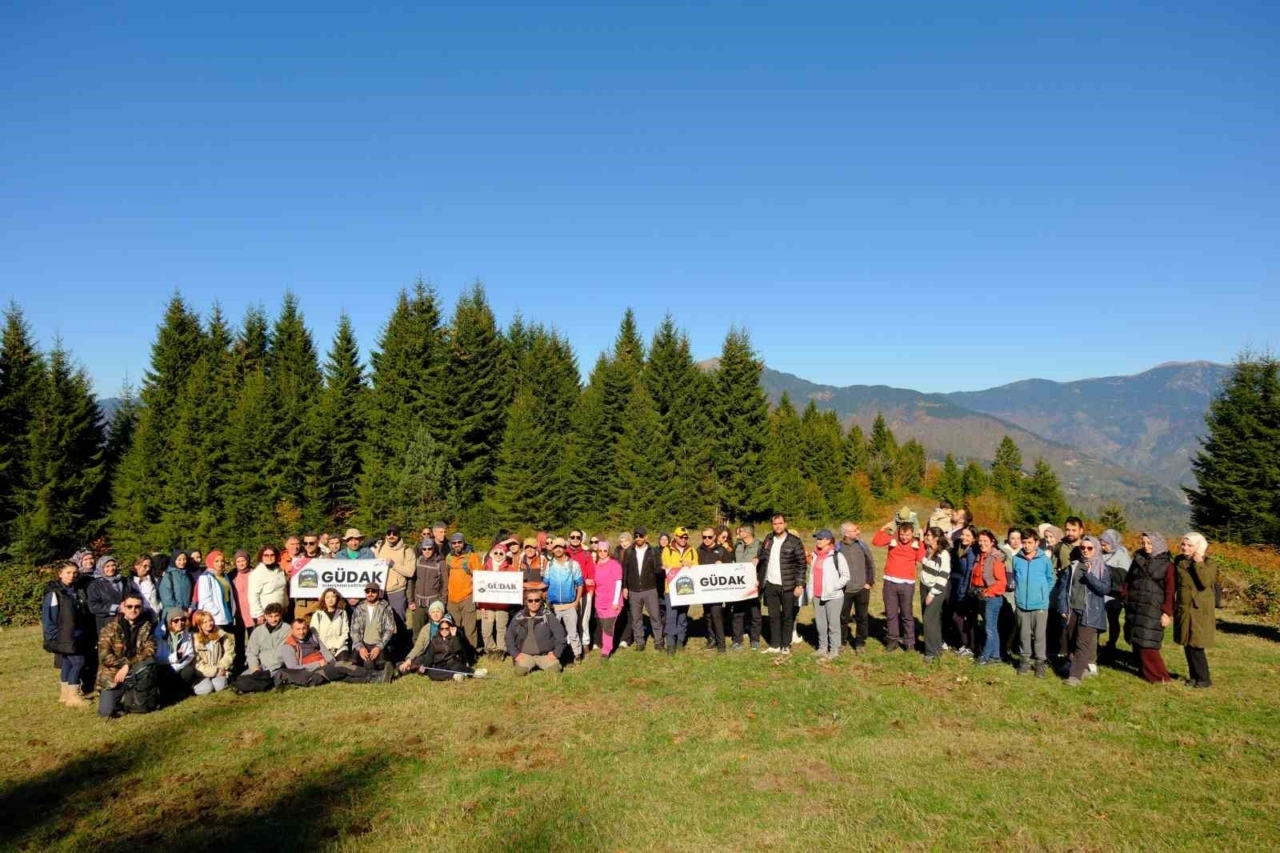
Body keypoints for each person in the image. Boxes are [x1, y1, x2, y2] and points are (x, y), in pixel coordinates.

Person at [1124, 532, 1175, 684]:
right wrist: (1125, 596)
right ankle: (1144, 672)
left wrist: (1167, 612)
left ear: (1158, 544)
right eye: (1144, 542)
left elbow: (1170, 590)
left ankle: (1160, 677)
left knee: (1148, 643)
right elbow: (1129, 580)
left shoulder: (1167, 565)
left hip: (1153, 607)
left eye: (1150, 543)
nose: (1146, 546)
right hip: (1135, 604)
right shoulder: (1138, 559)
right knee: (1136, 639)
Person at [96, 592, 157, 718]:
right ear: (123, 607)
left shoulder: (147, 626)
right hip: (113, 675)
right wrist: (124, 666)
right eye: (129, 606)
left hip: (137, 670)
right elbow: (105, 657)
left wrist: (128, 666)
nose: (133, 610)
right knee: (106, 712)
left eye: (137, 607)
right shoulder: (109, 629)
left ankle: (139, 697)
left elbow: (150, 650)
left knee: (142, 707)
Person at [1060, 535, 1111, 686]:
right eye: (1082, 548)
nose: (1085, 551)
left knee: (1082, 643)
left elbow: (1105, 588)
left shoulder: (1102, 568)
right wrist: (1063, 606)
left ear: (1096, 549)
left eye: (1089, 548)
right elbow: (1064, 588)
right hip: (1072, 609)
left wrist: (1090, 577)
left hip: (1091, 611)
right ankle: (1074, 667)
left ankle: (1075, 677)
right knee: (1071, 639)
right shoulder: (1073, 566)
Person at [42, 560, 92, 708]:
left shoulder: (76, 590)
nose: (72, 576)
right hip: (63, 636)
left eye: (75, 573)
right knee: (79, 662)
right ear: (60, 574)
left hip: (77, 634)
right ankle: (74, 696)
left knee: (68, 663)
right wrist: (53, 637)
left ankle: (65, 694)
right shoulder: (54, 594)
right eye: (68, 573)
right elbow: (48, 618)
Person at [281, 617, 387, 686]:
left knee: (343, 676)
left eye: (304, 628)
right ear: (292, 630)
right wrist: (317, 664)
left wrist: (332, 663)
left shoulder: (311, 637)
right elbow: (293, 668)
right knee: (342, 666)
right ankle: (376, 674)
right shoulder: (288, 647)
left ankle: (374, 680)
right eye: (298, 629)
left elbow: (324, 651)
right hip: (312, 672)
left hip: (325, 665)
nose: (302, 632)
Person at [872, 518, 924, 654]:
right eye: (902, 534)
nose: (904, 537)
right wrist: (884, 528)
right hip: (890, 583)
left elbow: (921, 558)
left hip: (907, 585)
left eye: (907, 535)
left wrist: (922, 540)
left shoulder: (916, 544)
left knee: (907, 614)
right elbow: (876, 542)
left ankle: (909, 642)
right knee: (891, 614)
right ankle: (893, 640)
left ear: (912, 534)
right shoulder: (892, 540)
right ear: (898, 533)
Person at [757, 514, 806, 655]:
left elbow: (802, 564)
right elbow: (763, 555)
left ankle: (786, 645)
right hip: (770, 584)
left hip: (788, 585)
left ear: (785, 524)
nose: (777, 526)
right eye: (775, 524)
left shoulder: (794, 541)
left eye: (780, 523)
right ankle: (775, 644)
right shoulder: (768, 538)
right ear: (772, 525)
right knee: (773, 616)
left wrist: (800, 584)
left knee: (787, 616)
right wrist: (757, 558)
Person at [1010, 528, 1055, 677]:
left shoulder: (1045, 560)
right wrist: (1018, 594)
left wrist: (1043, 594)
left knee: (1039, 635)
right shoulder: (1016, 559)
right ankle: (1024, 660)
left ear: (1037, 542)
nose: (1026, 545)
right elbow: (1015, 578)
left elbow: (1051, 579)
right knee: (1023, 634)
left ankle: (1040, 662)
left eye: (1030, 542)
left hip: (1040, 605)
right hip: (1022, 604)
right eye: (1024, 542)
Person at [1174, 533, 1216, 689]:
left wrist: (1198, 562)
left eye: (1190, 545)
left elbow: (1206, 582)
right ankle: (1193, 676)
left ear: (1198, 547)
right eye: (1183, 544)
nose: (1185, 547)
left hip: (1200, 609)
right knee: (1186, 642)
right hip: (1184, 606)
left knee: (1197, 644)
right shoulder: (1179, 560)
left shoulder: (1209, 563)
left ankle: (1204, 679)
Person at [399, 613, 485, 681]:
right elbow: (429, 656)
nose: (444, 631)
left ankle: (474, 673)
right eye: (442, 628)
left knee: (457, 667)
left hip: (453, 662)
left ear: (451, 627)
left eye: (446, 628)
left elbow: (458, 650)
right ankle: (454, 676)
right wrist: (424, 666)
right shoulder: (434, 640)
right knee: (432, 673)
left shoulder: (456, 637)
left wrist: (454, 636)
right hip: (439, 664)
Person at [807, 530, 849, 660]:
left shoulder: (837, 556)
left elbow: (846, 576)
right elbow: (812, 575)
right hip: (817, 595)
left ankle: (834, 649)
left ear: (829, 540)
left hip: (834, 596)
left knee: (833, 624)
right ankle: (822, 648)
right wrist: (811, 592)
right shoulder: (815, 555)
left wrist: (834, 587)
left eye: (821, 538)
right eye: (817, 538)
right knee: (821, 624)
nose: (818, 540)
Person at [506, 589, 568, 675]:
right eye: (530, 600)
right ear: (526, 602)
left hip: (544, 655)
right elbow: (509, 636)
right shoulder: (519, 616)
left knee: (555, 670)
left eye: (537, 600)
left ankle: (543, 663)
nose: (533, 603)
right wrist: (516, 654)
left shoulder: (548, 615)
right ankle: (529, 663)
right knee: (520, 672)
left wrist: (556, 653)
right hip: (525, 655)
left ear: (541, 601)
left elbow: (561, 635)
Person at [622, 527, 664, 651]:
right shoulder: (629, 551)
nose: (638, 538)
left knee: (655, 616)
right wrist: (625, 587)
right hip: (634, 590)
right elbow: (625, 571)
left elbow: (658, 569)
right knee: (636, 618)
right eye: (636, 536)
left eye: (641, 536)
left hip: (650, 589)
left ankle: (659, 641)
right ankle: (640, 642)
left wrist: (661, 570)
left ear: (646, 537)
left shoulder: (653, 551)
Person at [970, 530, 1008, 666]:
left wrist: (988, 592)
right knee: (991, 627)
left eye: (985, 541)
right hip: (982, 595)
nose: (982, 543)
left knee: (989, 628)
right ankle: (996, 656)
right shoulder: (980, 556)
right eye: (980, 540)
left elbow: (1001, 582)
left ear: (992, 542)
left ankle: (985, 657)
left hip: (992, 597)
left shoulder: (995, 558)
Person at [836, 522, 875, 653]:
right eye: (854, 530)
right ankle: (841, 641)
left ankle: (860, 643)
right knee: (842, 617)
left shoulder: (862, 545)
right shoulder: (838, 548)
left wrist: (869, 582)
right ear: (846, 534)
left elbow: (870, 564)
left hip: (862, 589)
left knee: (862, 617)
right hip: (844, 591)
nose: (858, 532)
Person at [545, 537, 586, 660]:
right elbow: (545, 584)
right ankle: (556, 655)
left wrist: (577, 601)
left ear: (565, 548)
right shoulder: (550, 565)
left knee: (573, 633)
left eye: (560, 547)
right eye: (555, 547)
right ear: (552, 550)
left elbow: (580, 584)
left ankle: (577, 655)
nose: (558, 549)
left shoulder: (574, 564)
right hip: (554, 606)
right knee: (553, 633)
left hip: (569, 605)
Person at [478, 544, 518, 660]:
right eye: (496, 553)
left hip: (502, 605)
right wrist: (481, 605)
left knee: (501, 628)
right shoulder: (485, 567)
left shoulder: (510, 569)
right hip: (487, 605)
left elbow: (514, 586)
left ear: (505, 555)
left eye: (501, 553)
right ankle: (490, 649)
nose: (498, 555)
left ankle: (501, 649)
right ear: (492, 554)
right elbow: (480, 587)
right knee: (487, 628)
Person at [696, 526, 733, 653]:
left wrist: (723, 565)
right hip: (704, 589)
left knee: (716, 615)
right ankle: (711, 640)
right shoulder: (699, 550)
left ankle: (721, 645)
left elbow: (731, 566)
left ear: (714, 537)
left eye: (709, 537)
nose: (706, 539)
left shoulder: (721, 550)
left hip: (717, 590)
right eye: (704, 537)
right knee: (707, 616)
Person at [918, 528, 951, 662]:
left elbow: (943, 576)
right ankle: (937, 648)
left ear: (936, 538)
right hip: (924, 586)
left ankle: (930, 652)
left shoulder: (943, 554)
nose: (926, 537)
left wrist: (932, 593)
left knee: (928, 619)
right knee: (933, 619)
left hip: (936, 589)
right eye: (926, 535)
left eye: (929, 535)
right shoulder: (928, 549)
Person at [445, 532, 482, 652]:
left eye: (459, 542)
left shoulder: (473, 557)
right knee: (454, 627)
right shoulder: (448, 558)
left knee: (470, 628)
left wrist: (478, 598)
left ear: (463, 542)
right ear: (451, 544)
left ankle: (472, 652)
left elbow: (480, 577)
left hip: (467, 597)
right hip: (452, 599)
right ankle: (457, 651)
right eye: (454, 543)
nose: (457, 545)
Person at [1098, 529, 1132, 660]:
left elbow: (1124, 577)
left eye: (1105, 544)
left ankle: (1112, 643)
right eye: (1101, 543)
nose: (1103, 546)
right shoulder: (1100, 553)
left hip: (1114, 595)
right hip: (1101, 593)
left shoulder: (1122, 555)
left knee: (1113, 620)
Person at [374, 525, 416, 623]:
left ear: (399, 535)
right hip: (380, 592)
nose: (391, 536)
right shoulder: (380, 548)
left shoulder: (407, 551)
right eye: (389, 533)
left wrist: (394, 565)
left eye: (394, 533)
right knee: (381, 622)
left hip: (397, 592)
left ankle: (401, 638)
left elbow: (410, 572)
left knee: (399, 622)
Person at [409, 537, 447, 641]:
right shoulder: (417, 561)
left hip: (434, 603)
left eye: (429, 549)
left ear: (433, 548)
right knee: (417, 632)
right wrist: (411, 600)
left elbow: (445, 584)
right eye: (424, 549)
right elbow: (411, 582)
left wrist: (442, 603)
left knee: (435, 631)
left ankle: (435, 654)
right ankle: (417, 654)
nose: (427, 551)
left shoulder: (440, 563)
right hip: (418, 603)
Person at [591, 538, 624, 658]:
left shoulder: (614, 564)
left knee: (608, 626)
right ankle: (605, 645)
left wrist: (615, 601)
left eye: (605, 550)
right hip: (600, 601)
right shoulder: (596, 565)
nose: (602, 553)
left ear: (608, 551)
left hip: (612, 602)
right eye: (600, 551)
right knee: (603, 624)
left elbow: (618, 582)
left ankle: (606, 650)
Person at [731, 524, 763, 651]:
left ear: (748, 533)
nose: (738, 532)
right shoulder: (737, 545)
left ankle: (755, 640)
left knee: (755, 613)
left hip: (753, 585)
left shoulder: (760, 545)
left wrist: (759, 559)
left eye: (741, 531)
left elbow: (764, 562)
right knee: (737, 613)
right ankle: (737, 640)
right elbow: (733, 561)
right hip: (739, 585)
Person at [947, 526, 978, 657]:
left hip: (967, 590)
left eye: (968, 536)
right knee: (960, 617)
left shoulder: (971, 553)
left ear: (974, 539)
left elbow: (968, 575)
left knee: (966, 618)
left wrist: (963, 593)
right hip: (960, 586)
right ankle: (965, 644)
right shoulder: (961, 548)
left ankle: (971, 647)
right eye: (963, 535)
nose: (964, 538)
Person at [155, 607, 198, 697]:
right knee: (163, 673)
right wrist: (176, 657)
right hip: (165, 667)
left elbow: (189, 655)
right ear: (170, 622)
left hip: (179, 666)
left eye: (182, 619)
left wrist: (175, 667)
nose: (180, 623)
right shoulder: (160, 636)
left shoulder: (187, 634)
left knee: (189, 671)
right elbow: (159, 659)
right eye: (176, 621)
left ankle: (180, 690)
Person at [565, 530, 597, 652]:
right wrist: (584, 579)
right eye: (572, 536)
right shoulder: (564, 553)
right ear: (569, 538)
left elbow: (592, 574)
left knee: (584, 619)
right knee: (569, 619)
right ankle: (570, 644)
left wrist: (591, 590)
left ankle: (585, 643)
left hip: (584, 592)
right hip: (568, 592)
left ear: (581, 539)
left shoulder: (586, 554)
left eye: (578, 537)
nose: (575, 539)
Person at [190, 610, 235, 695]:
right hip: (202, 674)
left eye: (211, 620)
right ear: (200, 625)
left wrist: (221, 668)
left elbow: (229, 653)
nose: (209, 624)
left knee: (220, 686)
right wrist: (214, 670)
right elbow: (196, 663)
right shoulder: (194, 639)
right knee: (207, 688)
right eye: (205, 622)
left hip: (219, 669)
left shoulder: (221, 634)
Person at [195, 551, 236, 632]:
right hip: (215, 616)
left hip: (227, 610)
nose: (220, 563)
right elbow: (205, 598)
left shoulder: (225, 576)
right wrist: (216, 612)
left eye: (222, 561)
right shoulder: (205, 577)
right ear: (210, 562)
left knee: (227, 641)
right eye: (216, 561)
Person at [248, 545, 288, 626]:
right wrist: (259, 614)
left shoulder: (279, 570)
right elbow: (253, 595)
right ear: (261, 557)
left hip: (280, 613)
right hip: (266, 615)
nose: (269, 557)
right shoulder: (257, 573)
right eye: (266, 555)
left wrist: (285, 605)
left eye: (272, 555)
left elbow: (283, 589)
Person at [311, 588, 351, 662]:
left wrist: (335, 648)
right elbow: (314, 635)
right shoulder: (318, 614)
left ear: (337, 598)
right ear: (324, 599)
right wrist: (325, 650)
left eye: (333, 596)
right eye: (327, 597)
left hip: (339, 647)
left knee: (343, 663)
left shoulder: (342, 613)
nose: (330, 599)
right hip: (323, 649)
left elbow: (345, 633)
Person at [87, 556, 126, 632]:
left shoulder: (124, 581)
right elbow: (93, 606)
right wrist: (116, 608)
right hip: (107, 624)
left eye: (113, 565)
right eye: (107, 566)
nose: (111, 569)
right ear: (101, 568)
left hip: (125, 621)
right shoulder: (95, 585)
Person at [159, 550, 195, 616]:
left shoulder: (188, 575)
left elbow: (193, 593)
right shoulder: (169, 576)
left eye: (184, 559)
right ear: (174, 560)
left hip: (187, 612)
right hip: (172, 613)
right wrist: (181, 609)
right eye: (179, 560)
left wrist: (191, 607)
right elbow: (167, 598)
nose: (182, 562)